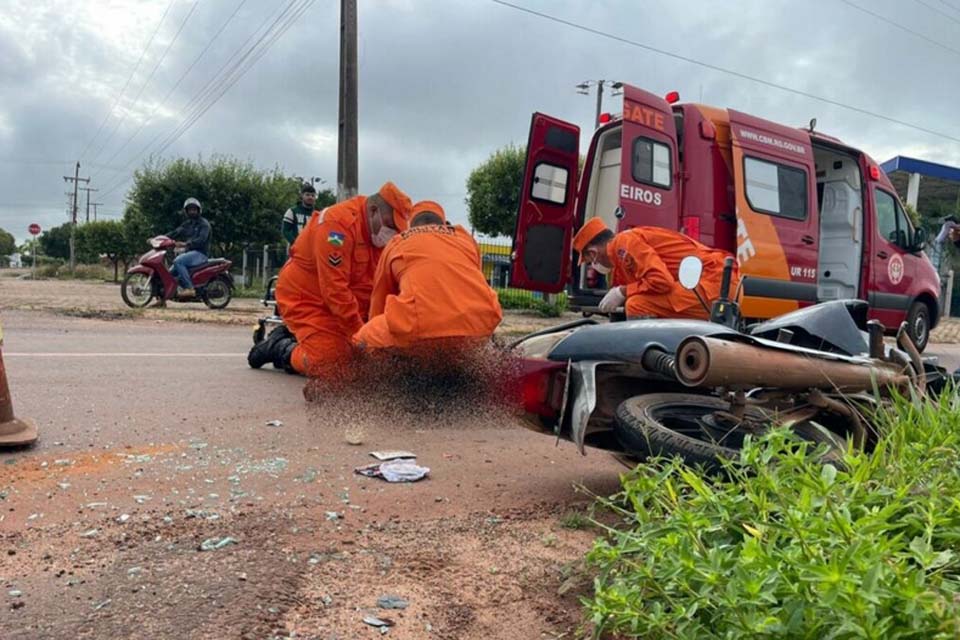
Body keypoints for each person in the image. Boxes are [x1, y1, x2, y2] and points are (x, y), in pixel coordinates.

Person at [247, 182, 413, 375]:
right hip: (307, 298)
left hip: (346, 303)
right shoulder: (336, 227)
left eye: (398, 229)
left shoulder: (378, 237)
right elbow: (335, 290)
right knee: (331, 363)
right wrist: (363, 338)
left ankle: (307, 338)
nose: (393, 233)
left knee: (369, 357)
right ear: (374, 211)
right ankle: (279, 347)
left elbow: (380, 286)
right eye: (391, 226)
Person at [353, 201, 503, 350]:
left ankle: (390, 364)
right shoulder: (466, 239)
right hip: (479, 323)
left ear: (411, 226)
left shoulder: (398, 242)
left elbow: (379, 300)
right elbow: (476, 282)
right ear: (443, 224)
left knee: (361, 339)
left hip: (420, 327)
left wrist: (378, 332)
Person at [572, 218, 738, 319]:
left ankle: (646, 359)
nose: (593, 265)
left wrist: (623, 292)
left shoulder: (624, 243)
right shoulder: (621, 252)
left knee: (637, 305)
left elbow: (661, 281)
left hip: (714, 284)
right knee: (639, 301)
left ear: (593, 253)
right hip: (717, 282)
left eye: (589, 260)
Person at [167, 197, 211, 298]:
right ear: (186, 211)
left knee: (178, 261)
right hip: (190, 254)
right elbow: (175, 232)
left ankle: (190, 288)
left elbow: (201, 240)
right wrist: (160, 238)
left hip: (201, 254)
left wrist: (185, 244)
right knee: (169, 274)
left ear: (199, 210)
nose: (192, 211)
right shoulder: (188, 224)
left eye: (194, 209)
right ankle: (162, 299)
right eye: (190, 209)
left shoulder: (204, 224)